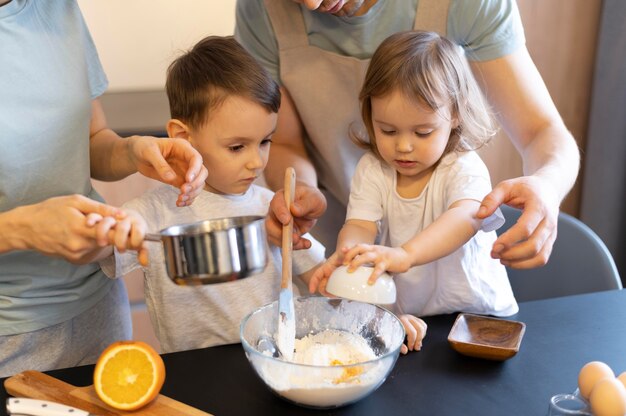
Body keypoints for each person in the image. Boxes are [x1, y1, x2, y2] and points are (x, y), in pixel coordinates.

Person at [234, 0, 580, 269]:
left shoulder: (463, 171)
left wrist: (546, 186)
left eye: (423, 130)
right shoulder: (262, 11)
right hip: (332, 239)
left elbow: (541, 131)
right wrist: (302, 194)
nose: (311, 4)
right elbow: (287, 142)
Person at [0, 0, 207, 376]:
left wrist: (132, 151)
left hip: (98, 303)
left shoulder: (58, 8)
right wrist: (23, 228)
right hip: (9, 333)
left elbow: (90, 139)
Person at [95, 36, 325, 353]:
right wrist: (105, 230)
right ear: (183, 137)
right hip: (193, 372)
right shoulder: (153, 214)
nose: (257, 161)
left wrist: (390, 312)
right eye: (237, 146)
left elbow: (324, 280)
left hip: (275, 364)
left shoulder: (273, 210)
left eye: (265, 141)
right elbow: (101, 249)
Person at [310, 31, 518, 354]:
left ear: (454, 115)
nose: (403, 146)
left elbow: (465, 218)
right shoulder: (373, 169)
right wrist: (349, 258)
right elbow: (361, 225)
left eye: (423, 132)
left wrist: (405, 254)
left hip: (477, 317)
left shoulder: (464, 167)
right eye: (387, 130)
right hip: (415, 317)